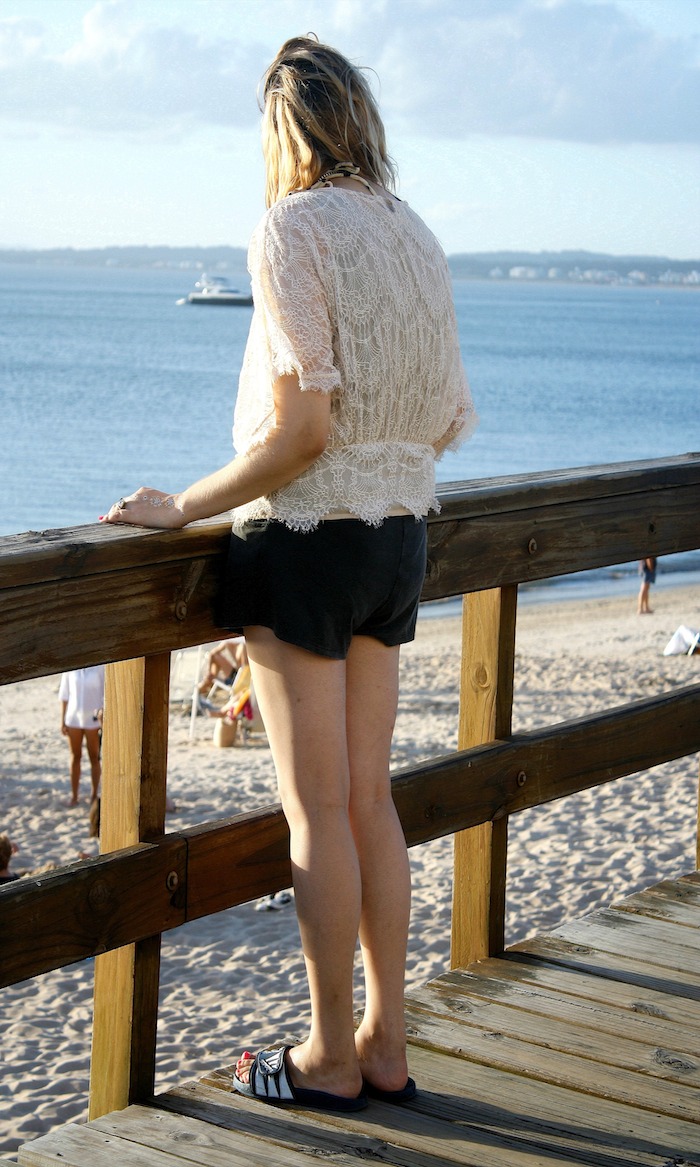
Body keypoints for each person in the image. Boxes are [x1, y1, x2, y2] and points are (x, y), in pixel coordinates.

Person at [102, 34, 475, 1113]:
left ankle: (326, 1056)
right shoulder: (415, 233)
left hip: (307, 545)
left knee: (317, 813)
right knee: (370, 801)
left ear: (282, 131)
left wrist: (185, 505)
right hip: (396, 540)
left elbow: (301, 430)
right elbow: (449, 417)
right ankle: (386, 1044)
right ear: (359, 117)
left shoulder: (289, 228)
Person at [59, 666, 105, 806]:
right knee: (75, 757)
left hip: (93, 720)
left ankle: (94, 795)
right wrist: (62, 721)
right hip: (73, 718)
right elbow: (64, 695)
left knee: (94, 757)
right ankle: (74, 796)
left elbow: (105, 693)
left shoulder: (100, 667)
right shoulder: (69, 667)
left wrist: (103, 717)